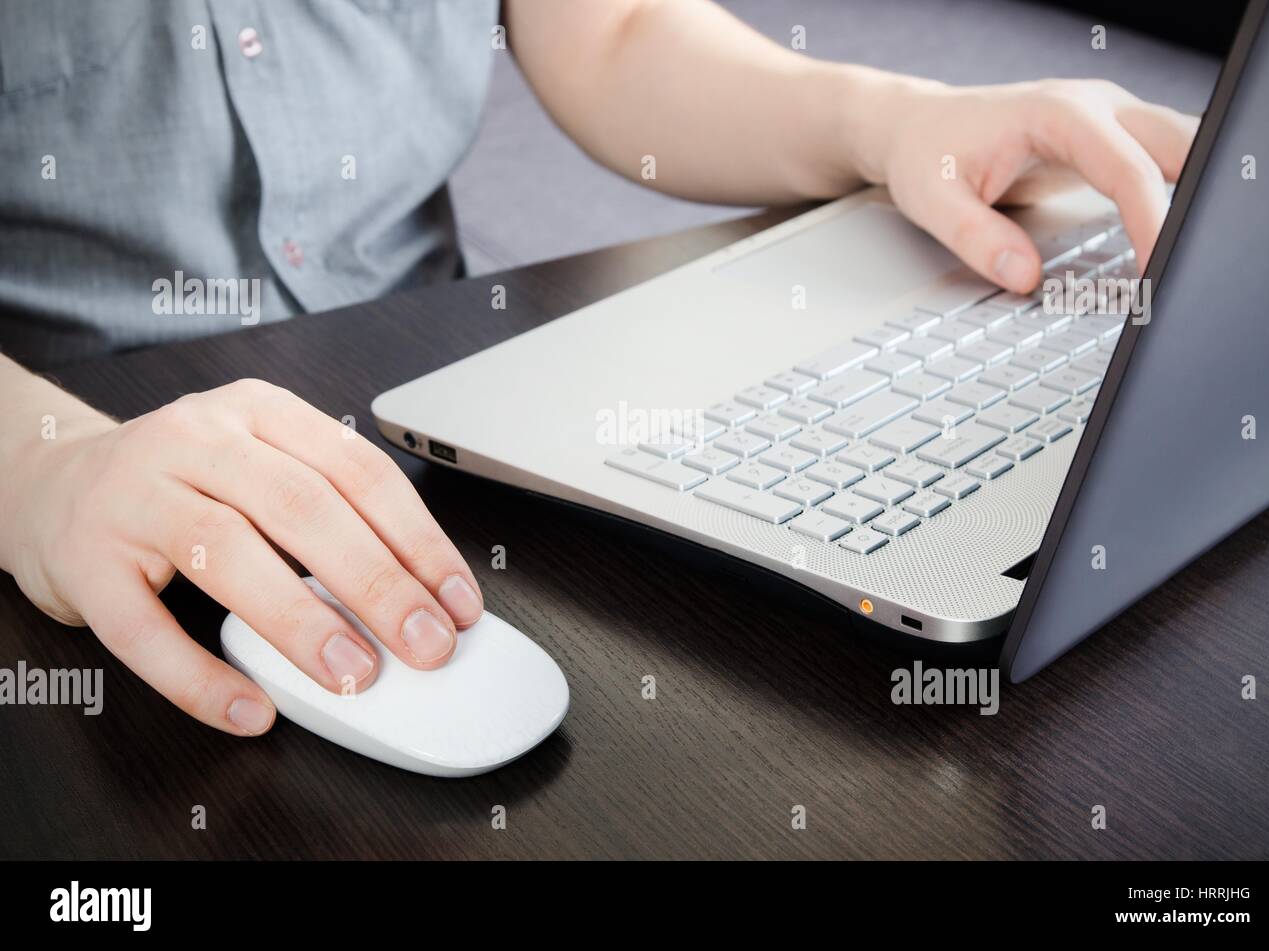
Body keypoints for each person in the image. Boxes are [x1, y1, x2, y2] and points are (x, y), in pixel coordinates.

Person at [0, 0, 1196, 737]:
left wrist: (890, 122)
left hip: (439, 388)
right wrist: (40, 469)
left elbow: (610, 28)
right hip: (73, 465)